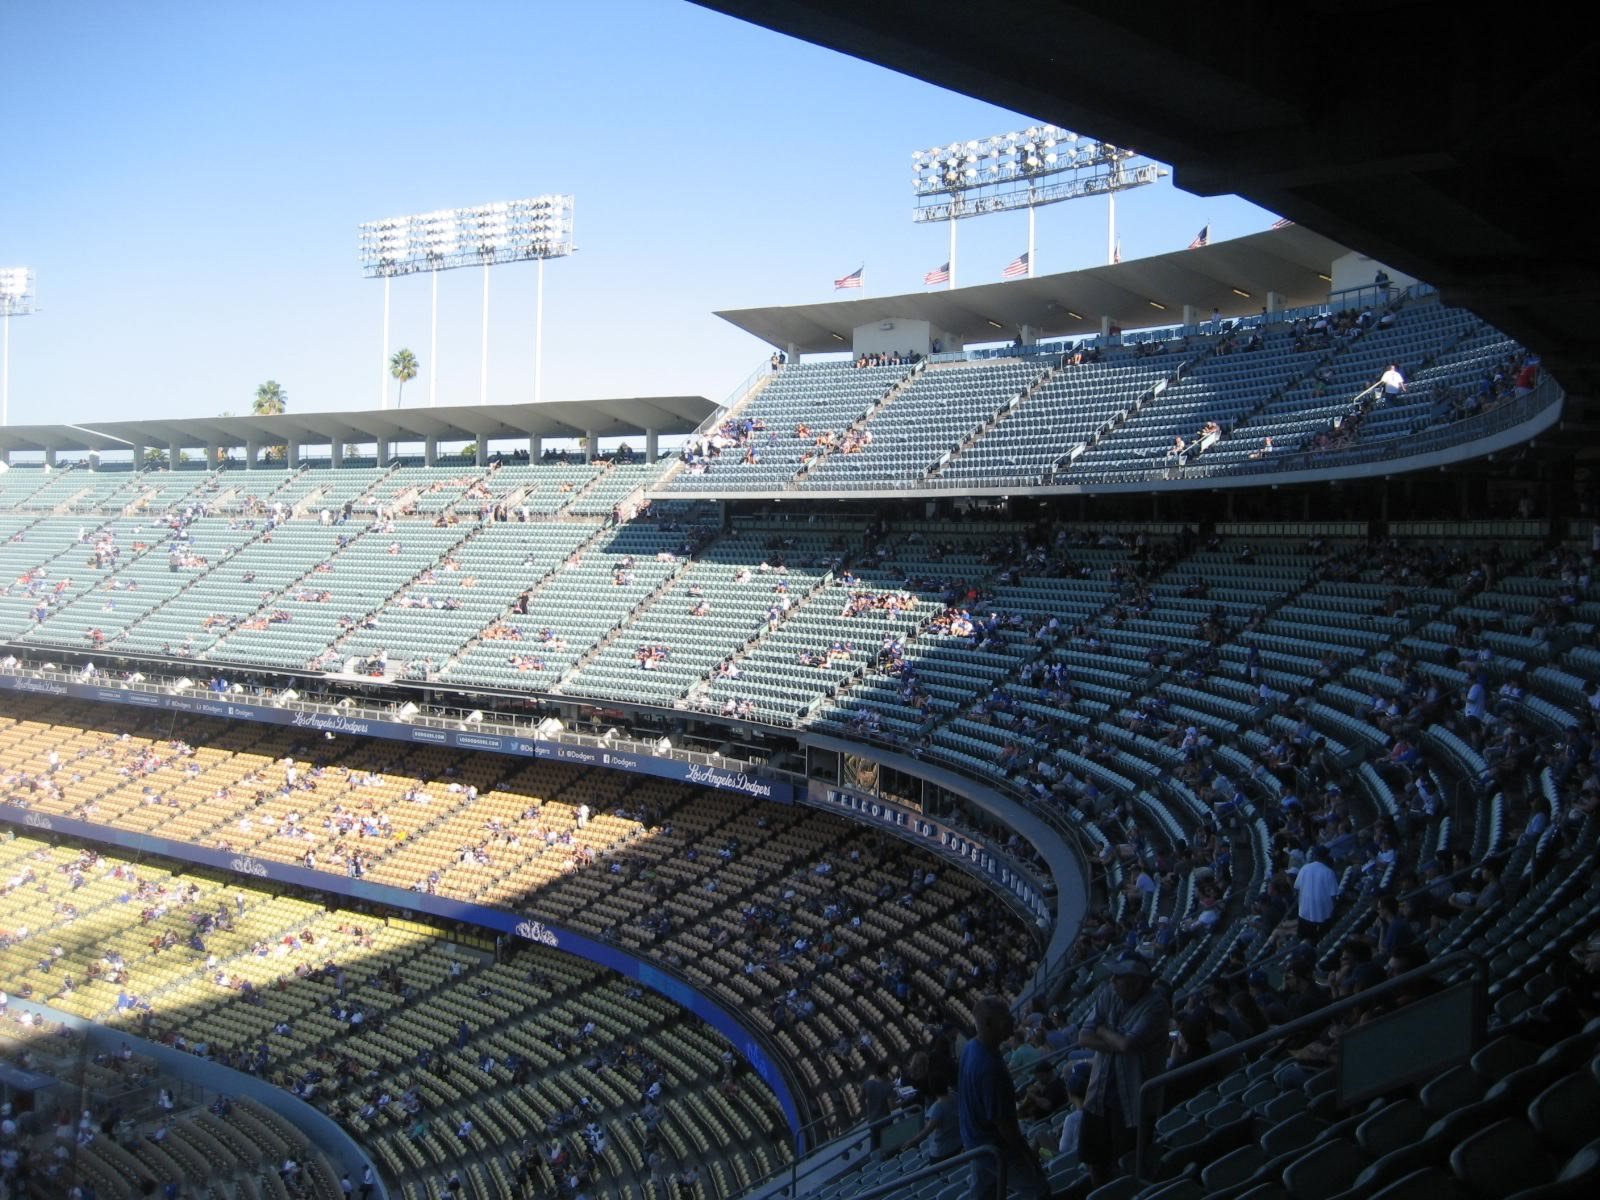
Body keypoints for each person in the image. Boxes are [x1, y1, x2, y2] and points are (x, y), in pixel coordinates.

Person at [1077, 953, 1171, 1186]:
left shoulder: (1156, 1006)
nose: (1112, 981)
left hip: (1133, 1102)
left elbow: (1127, 1044)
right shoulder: (1109, 994)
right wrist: (1116, 1040)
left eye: (1118, 977)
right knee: (1094, 1160)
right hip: (1099, 1095)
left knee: (1128, 1166)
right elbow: (1083, 1037)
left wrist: (1103, 1030)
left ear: (1137, 981)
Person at [959, 995, 1052, 1199]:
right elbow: (1005, 1127)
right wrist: (1028, 1156)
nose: (1012, 1020)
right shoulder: (989, 1067)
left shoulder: (970, 1049)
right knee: (1039, 1192)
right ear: (989, 1023)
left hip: (978, 1142)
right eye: (1005, 1017)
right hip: (996, 1147)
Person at [1294, 846, 1337, 944]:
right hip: (1323, 915)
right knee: (1320, 942)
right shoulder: (1329, 872)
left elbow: (1297, 889)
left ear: (1314, 856)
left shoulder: (1305, 868)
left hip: (1305, 913)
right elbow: (1333, 896)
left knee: (1304, 942)